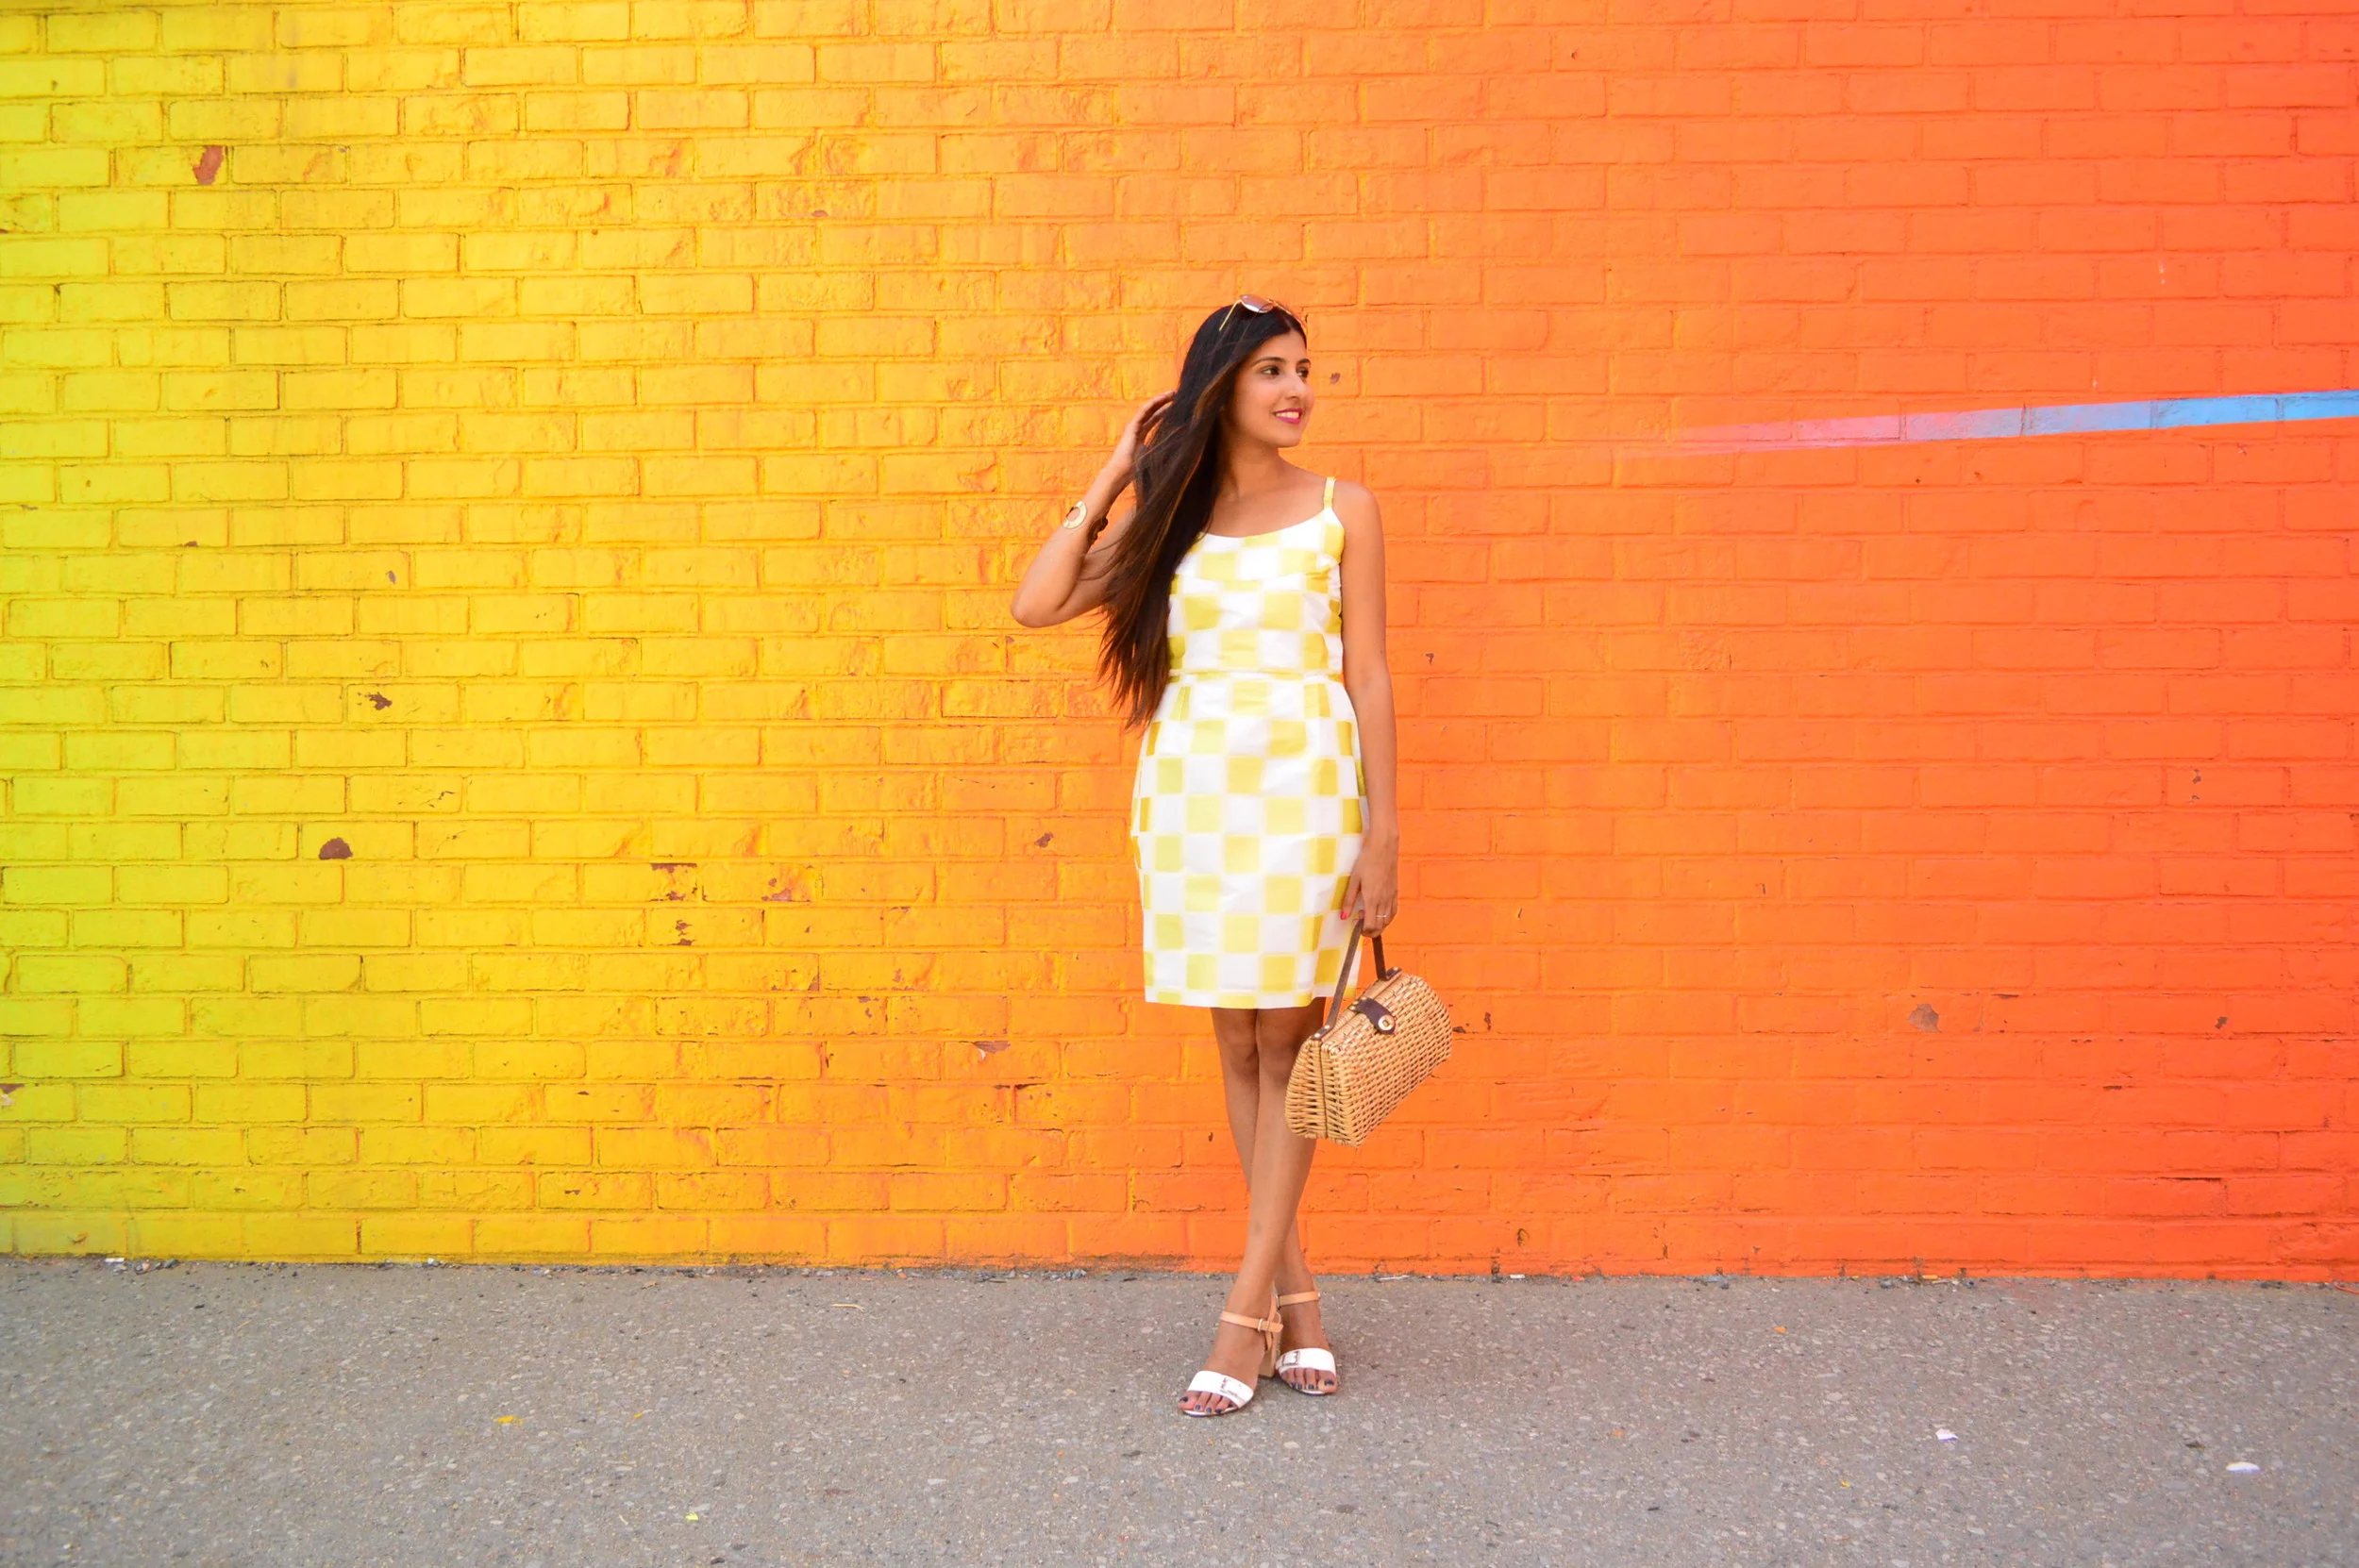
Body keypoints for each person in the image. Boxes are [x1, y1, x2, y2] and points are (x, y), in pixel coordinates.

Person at [1010, 296, 1399, 1417]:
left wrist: (1383, 830)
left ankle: (1243, 1316)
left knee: (1293, 1043)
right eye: (1272, 369)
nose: (1296, 390)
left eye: (1307, 369)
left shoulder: (1343, 510)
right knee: (1235, 1039)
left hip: (1307, 794)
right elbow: (1037, 602)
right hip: (1191, 799)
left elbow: (1368, 674)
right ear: (1220, 385)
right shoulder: (1168, 522)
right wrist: (1115, 473)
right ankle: (1300, 1300)